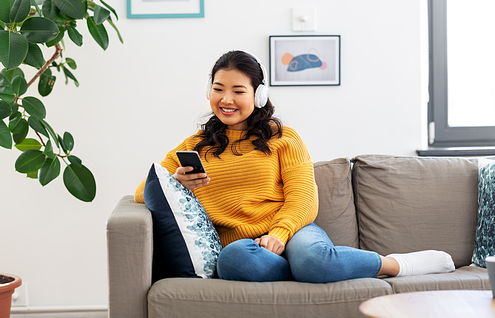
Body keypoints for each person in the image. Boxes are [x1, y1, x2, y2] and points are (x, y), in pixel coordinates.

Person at [135, 50, 455, 283]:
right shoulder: (193, 145)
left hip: (293, 232)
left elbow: (304, 197)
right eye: (218, 89)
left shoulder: (283, 138)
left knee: (313, 260)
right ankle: (301, 272)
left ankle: (395, 265)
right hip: (245, 248)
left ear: (259, 95)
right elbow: (143, 192)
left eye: (238, 90)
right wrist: (178, 182)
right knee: (232, 261)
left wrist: (280, 233)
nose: (226, 99)